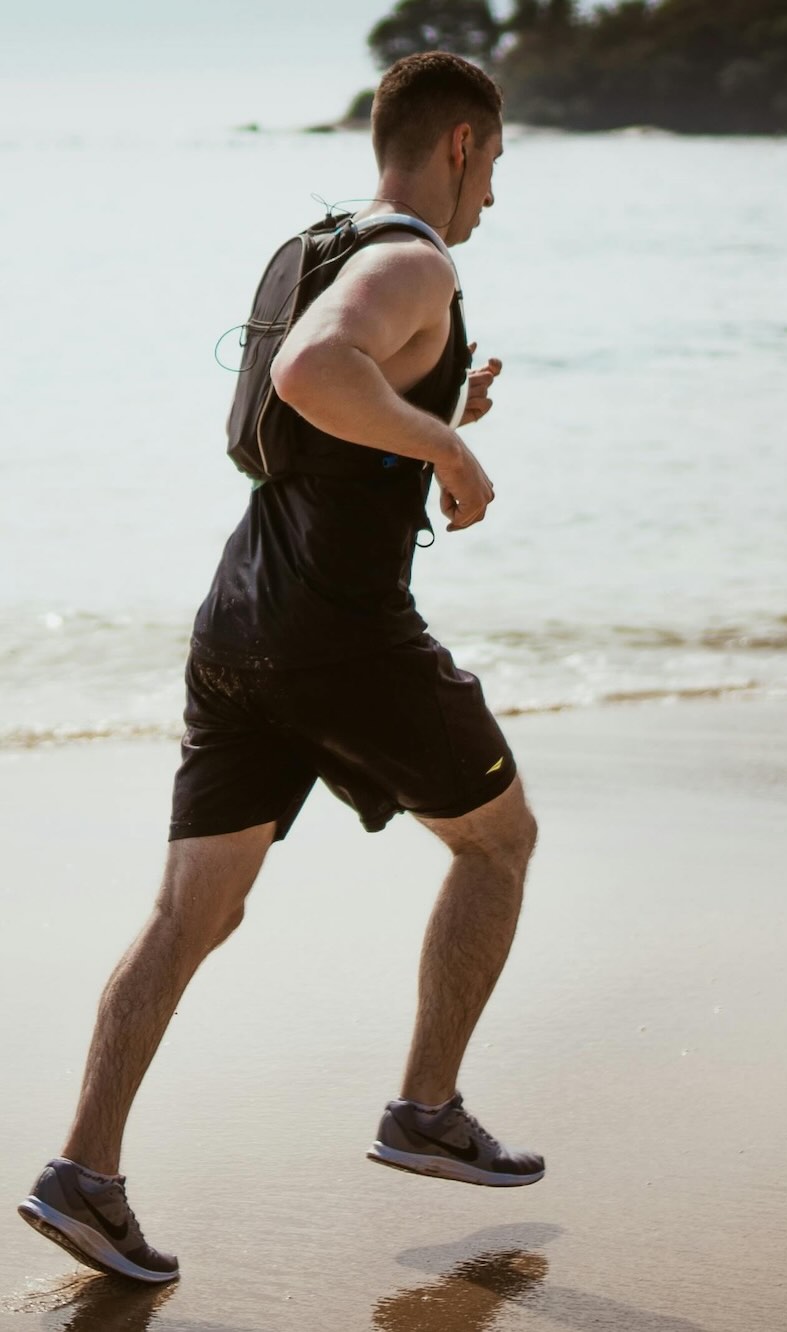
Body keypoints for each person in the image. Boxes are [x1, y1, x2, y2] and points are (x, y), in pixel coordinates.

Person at [18, 51, 543, 1287]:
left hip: (239, 625)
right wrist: (450, 458)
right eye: (497, 167)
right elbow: (315, 376)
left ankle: (83, 1173)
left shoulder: (314, 246)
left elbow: (293, 426)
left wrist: (426, 415)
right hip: (340, 636)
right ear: (459, 145)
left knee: (192, 913)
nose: (493, 201)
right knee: (500, 842)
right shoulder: (417, 259)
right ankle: (426, 1109)